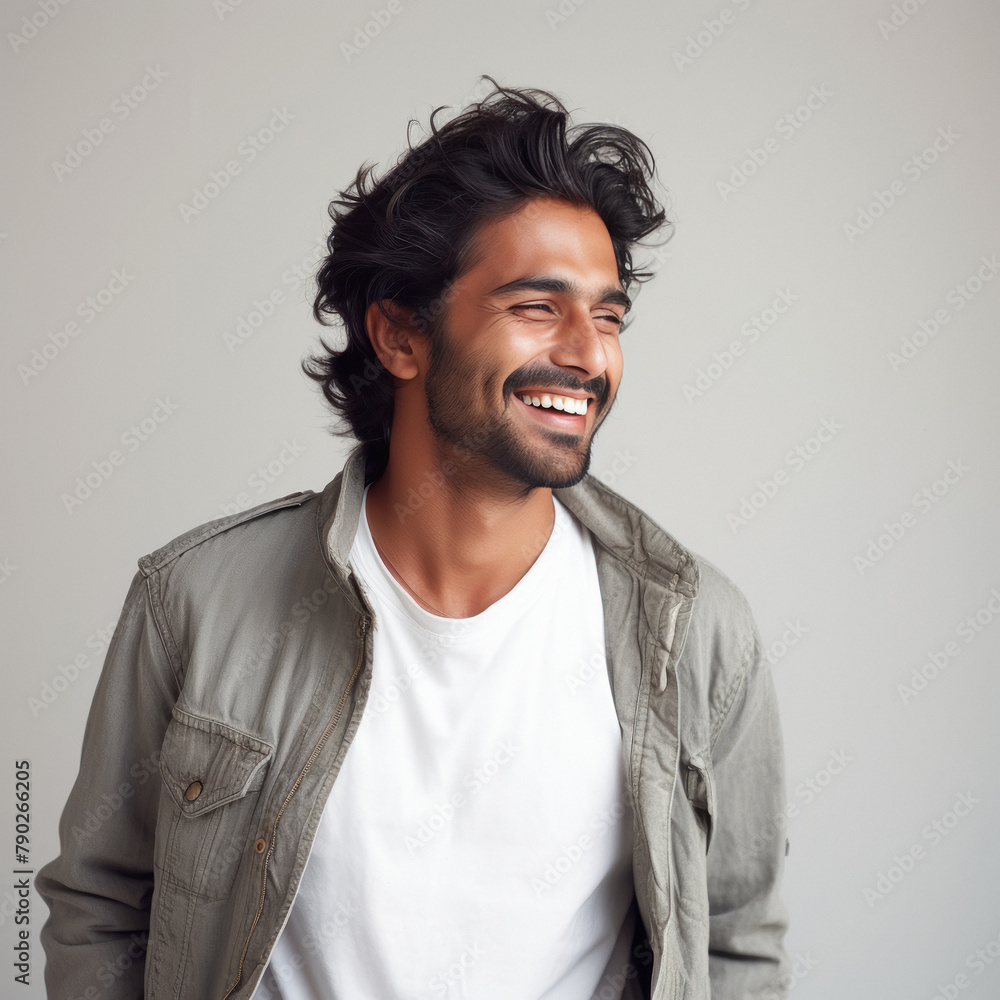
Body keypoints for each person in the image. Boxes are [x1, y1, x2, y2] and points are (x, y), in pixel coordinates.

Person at [37, 78, 791, 1000]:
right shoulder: (197, 600)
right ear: (399, 335)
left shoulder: (696, 630)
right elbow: (101, 908)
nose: (590, 356)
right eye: (536, 306)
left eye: (606, 315)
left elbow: (737, 945)